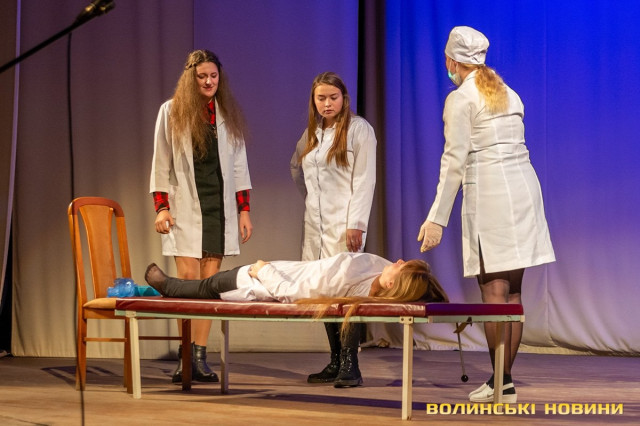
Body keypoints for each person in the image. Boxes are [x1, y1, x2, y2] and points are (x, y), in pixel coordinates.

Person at [417, 26, 555, 404]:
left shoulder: (461, 98)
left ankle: (501, 382)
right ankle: (502, 382)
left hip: (493, 195)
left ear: (451, 60)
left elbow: (453, 161)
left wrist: (436, 218)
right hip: (524, 191)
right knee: (513, 292)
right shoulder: (509, 92)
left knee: (494, 292)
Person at [150, 49, 253, 384]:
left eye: (213, 76)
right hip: (184, 207)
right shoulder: (171, 111)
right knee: (186, 282)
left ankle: (199, 357)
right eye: (202, 76)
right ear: (190, 78)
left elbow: (239, 167)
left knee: (209, 287)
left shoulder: (226, 114)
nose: (208, 82)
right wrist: (162, 207)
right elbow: (161, 162)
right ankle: (185, 356)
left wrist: (244, 210)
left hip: (217, 207)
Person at [290, 72, 377, 388]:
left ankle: (351, 364)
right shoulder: (312, 133)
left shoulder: (359, 130)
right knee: (323, 291)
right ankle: (336, 360)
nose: (327, 103)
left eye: (333, 97)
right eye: (321, 98)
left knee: (346, 292)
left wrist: (356, 223)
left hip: (344, 225)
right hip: (315, 225)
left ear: (344, 98)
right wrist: (313, 201)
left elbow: (365, 180)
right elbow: (297, 169)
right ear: (313, 101)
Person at [144, 252, 449, 327]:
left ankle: (167, 286)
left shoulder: (347, 277)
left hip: (255, 282)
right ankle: (167, 286)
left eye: (401, 266)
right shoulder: (378, 270)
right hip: (268, 274)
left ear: (392, 283)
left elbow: (293, 295)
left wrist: (261, 269)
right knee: (208, 285)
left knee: (208, 286)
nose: (398, 261)